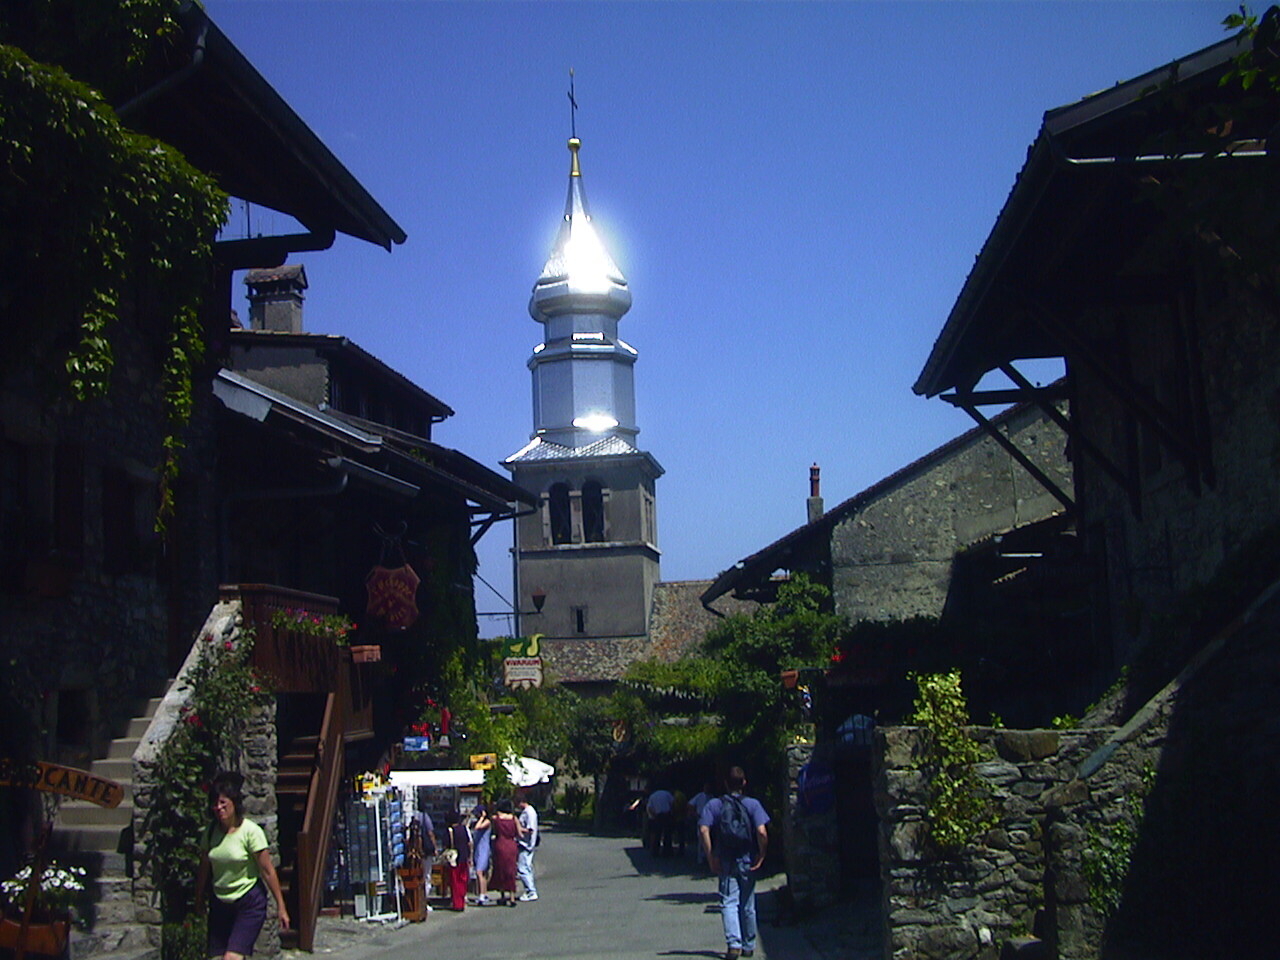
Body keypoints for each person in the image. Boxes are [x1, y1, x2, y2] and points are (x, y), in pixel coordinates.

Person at [195, 771, 290, 960]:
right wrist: (198, 898)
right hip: (220, 901)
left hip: (248, 901)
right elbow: (204, 867)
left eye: (223, 803)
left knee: (232, 958)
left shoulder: (250, 832)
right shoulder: (210, 832)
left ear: (233, 803)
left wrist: (281, 906)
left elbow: (267, 871)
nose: (219, 808)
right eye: (215, 804)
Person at [698, 767, 770, 960]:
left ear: (725, 784)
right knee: (748, 903)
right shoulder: (753, 804)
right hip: (747, 858)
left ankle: (733, 944)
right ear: (744, 783)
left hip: (726, 858)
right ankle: (749, 945)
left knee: (728, 902)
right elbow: (762, 832)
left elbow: (704, 829)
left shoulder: (715, 805)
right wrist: (762, 854)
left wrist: (711, 856)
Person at [488, 798, 523, 907]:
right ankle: (512, 897)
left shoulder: (496, 819)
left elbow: (493, 829)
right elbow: (520, 834)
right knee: (511, 870)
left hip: (500, 844)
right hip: (511, 845)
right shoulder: (514, 818)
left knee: (500, 870)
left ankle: (502, 895)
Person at [438, 809, 471, 911]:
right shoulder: (464, 829)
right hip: (464, 857)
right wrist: (469, 856)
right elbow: (469, 843)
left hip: (454, 859)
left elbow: (445, 845)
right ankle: (462, 899)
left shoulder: (449, 831)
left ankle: (457, 904)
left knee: (455, 882)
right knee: (463, 880)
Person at [515, 792, 539, 901]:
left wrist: (518, 828)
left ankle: (531, 891)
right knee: (527, 867)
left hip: (526, 844)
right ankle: (530, 889)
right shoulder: (529, 811)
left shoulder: (528, 813)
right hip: (527, 843)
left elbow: (530, 829)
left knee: (522, 868)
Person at [469, 802, 493, 905]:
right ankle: (482, 893)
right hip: (477, 850)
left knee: (480, 872)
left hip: (484, 849)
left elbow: (477, 828)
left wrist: (482, 817)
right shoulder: (477, 822)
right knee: (480, 872)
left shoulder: (487, 822)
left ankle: (483, 895)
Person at [645, 785, 675, 857]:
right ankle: (667, 851)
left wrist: (654, 816)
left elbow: (649, 808)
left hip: (658, 815)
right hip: (667, 814)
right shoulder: (667, 794)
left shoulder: (652, 796)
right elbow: (673, 803)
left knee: (657, 834)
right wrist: (672, 813)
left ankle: (655, 852)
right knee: (667, 834)